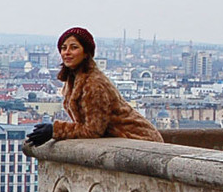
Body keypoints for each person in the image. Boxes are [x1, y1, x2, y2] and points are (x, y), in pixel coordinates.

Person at [25, 27, 163, 146]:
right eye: (63, 48)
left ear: (86, 53)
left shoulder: (94, 84)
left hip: (140, 140)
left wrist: (55, 130)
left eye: (74, 47)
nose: (67, 52)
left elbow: (93, 130)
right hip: (128, 140)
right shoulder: (75, 79)